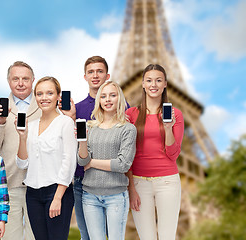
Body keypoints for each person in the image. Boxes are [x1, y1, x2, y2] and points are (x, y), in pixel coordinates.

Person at [126, 64, 184, 240]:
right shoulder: (131, 114)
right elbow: (127, 154)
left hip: (167, 182)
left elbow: (173, 155)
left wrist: (167, 129)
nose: (154, 85)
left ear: (165, 84)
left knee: (167, 237)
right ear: (142, 84)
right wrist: (131, 188)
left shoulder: (175, 114)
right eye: (149, 80)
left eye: (158, 80)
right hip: (139, 184)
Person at [16, 76, 76, 240]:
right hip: (33, 194)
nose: (44, 98)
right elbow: (22, 164)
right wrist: (22, 137)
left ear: (58, 96)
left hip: (57, 192)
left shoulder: (66, 123)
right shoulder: (31, 125)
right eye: (40, 93)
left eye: (49, 93)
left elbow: (69, 161)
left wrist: (57, 198)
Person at [77, 81, 136, 239]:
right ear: (99, 101)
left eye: (112, 95)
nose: (108, 99)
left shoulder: (128, 129)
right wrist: (82, 142)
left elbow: (123, 164)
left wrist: (92, 163)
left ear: (120, 99)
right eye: (103, 96)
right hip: (89, 195)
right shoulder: (90, 127)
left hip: (116, 196)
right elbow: (82, 162)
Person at [0, 61, 39, 240]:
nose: (20, 83)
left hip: (38, 183)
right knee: (10, 237)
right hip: (10, 183)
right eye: (15, 79)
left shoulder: (44, 105)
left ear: (33, 80)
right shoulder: (1, 110)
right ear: (8, 81)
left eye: (25, 79)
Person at [73, 56, 112, 240]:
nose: (95, 75)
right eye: (91, 72)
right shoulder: (77, 109)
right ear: (85, 76)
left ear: (107, 75)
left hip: (112, 181)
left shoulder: (121, 107)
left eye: (99, 71)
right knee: (87, 236)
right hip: (83, 180)